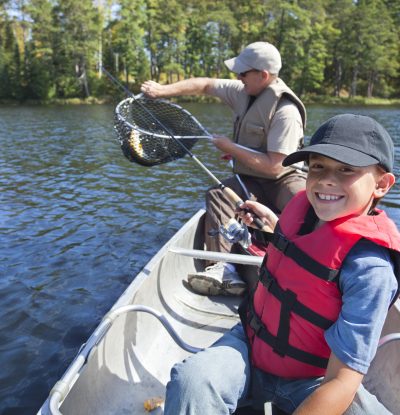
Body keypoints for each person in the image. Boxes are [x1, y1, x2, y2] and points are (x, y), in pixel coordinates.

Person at [163, 114, 400, 415]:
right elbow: (301, 254)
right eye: (318, 166)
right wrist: (273, 225)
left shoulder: (371, 272)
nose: (327, 179)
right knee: (193, 382)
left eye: (346, 170)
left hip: (314, 377)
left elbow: (341, 381)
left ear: (381, 184)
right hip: (250, 347)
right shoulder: (304, 211)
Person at [141, 41, 307, 296]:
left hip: (284, 177)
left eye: (243, 73)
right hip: (251, 178)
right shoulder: (243, 91)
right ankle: (222, 267)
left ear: (263, 75)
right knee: (218, 194)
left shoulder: (286, 111)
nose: (238, 78)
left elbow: (276, 166)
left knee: (305, 203)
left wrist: (232, 147)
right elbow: (206, 84)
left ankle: (311, 264)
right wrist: (162, 91)